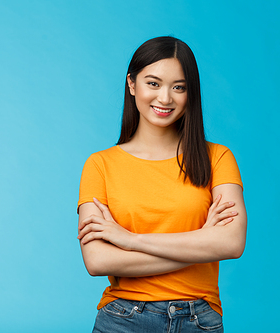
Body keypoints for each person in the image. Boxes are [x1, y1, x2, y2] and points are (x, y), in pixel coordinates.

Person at [77, 36, 247, 333]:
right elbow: (98, 260)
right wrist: (201, 242)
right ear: (132, 84)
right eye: (153, 83)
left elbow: (231, 243)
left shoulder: (217, 158)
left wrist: (131, 241)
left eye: (178, 87)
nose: (165, 98)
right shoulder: (100, 164)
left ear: (190, 93)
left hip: (198, 319)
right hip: (122, 318)